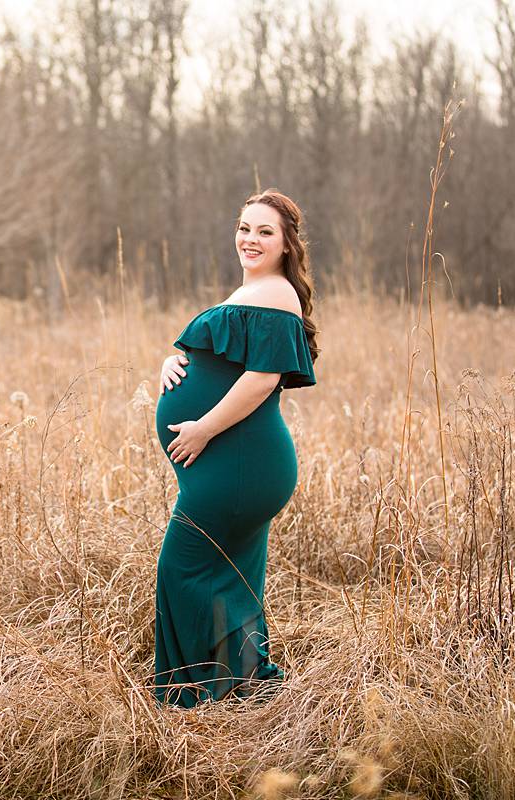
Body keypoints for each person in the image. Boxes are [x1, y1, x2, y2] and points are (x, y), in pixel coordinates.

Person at [152, 189, 320, 708]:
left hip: (240, 462)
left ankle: (193, 693)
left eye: (265, 231)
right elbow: (222, 360)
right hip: (236, 464)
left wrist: (201, 426)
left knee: (183, 570)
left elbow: (261, 379)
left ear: (288, 244)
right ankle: (243, 687)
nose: (251, 239)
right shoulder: (254, 292)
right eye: (245, 228)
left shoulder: (275, 293)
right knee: (231, 575)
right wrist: (172, 364)